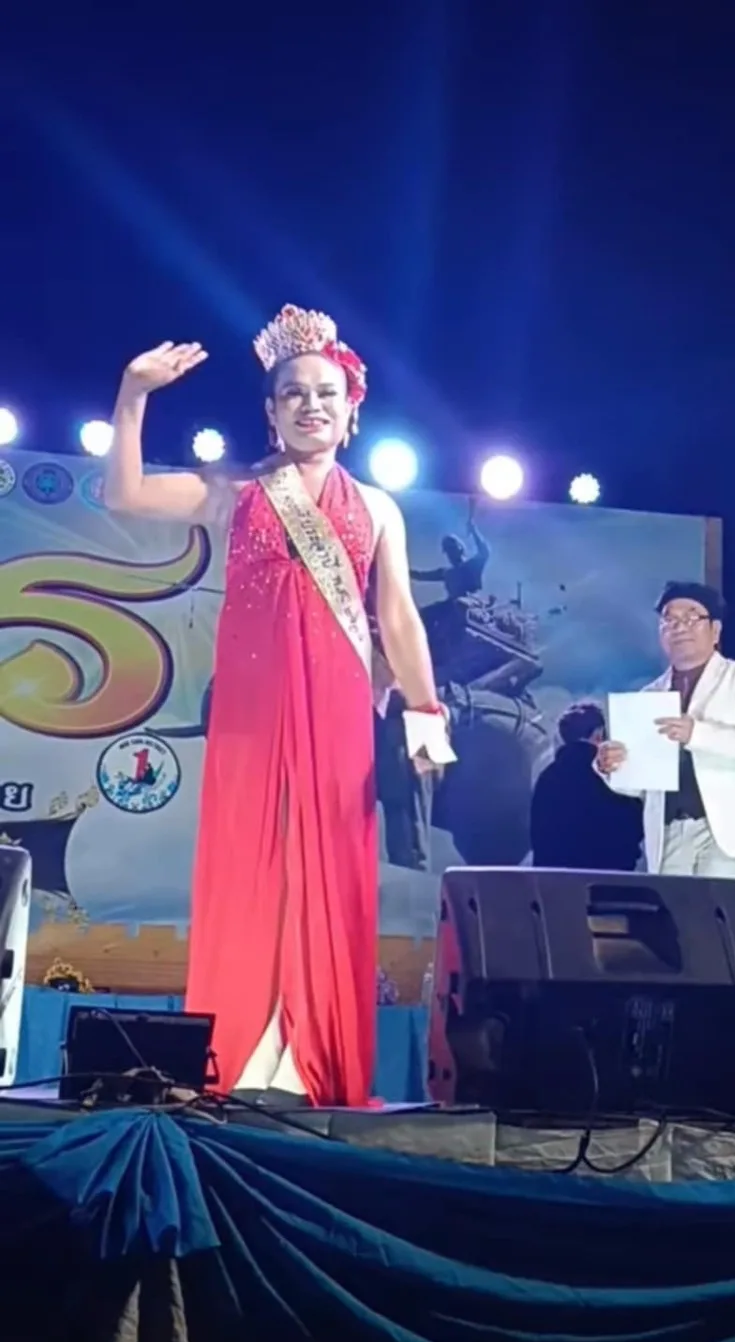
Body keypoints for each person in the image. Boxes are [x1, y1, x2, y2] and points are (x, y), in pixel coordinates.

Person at [103, 306, 452, 1106]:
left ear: (352, 409)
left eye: (326, 393)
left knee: (332, 867)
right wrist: (132, 393)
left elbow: (397, 617)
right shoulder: (237, 491)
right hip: (252, 712)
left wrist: (425, 713)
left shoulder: (379, 509)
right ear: (270, 411)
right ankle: (241, 1055)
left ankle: (315, 1061)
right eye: (293, 393)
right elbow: (123, 493)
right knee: (248, 862)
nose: (310, 405)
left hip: (338, 710)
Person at [596, 582, 735, 878]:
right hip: (670, 832)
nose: (679, 627)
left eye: (691, 617)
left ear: (715, 630)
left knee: (719, 906)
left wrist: (697, 734)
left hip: (726, 831)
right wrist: (611, 767)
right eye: (669, 620)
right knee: (675, 908)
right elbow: (641, 785)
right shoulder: (648, 696)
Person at [530, 702, 643, 870]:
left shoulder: (548, 776)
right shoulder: (612, 775)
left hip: (553, 880)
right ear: (599, 734)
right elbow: (634, 826)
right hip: (609, 879)